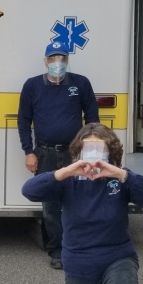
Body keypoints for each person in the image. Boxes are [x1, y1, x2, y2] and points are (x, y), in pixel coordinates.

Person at [21, 123, 143, 284]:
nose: (93, 154)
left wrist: (120, 173)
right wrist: (66, 171)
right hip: (79, 260)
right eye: (87, 148)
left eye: (100, 148)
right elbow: (29, 191)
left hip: (117, 255)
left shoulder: (119, 178)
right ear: (79, 151)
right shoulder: (68, 181)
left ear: (110, 151)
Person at [17, 41, 99, 269]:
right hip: (45, 153)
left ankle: (79, 246)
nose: (57, 63)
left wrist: (92, 150)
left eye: (61, 58)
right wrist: (28, 152)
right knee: (51, 205)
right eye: (52, 58)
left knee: (79, 201)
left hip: (75, 153)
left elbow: (92, 119)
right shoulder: (32, 86)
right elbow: (23, 121)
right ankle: (57, 251)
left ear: (67, 60)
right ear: (45, 61)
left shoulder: (80, 84)